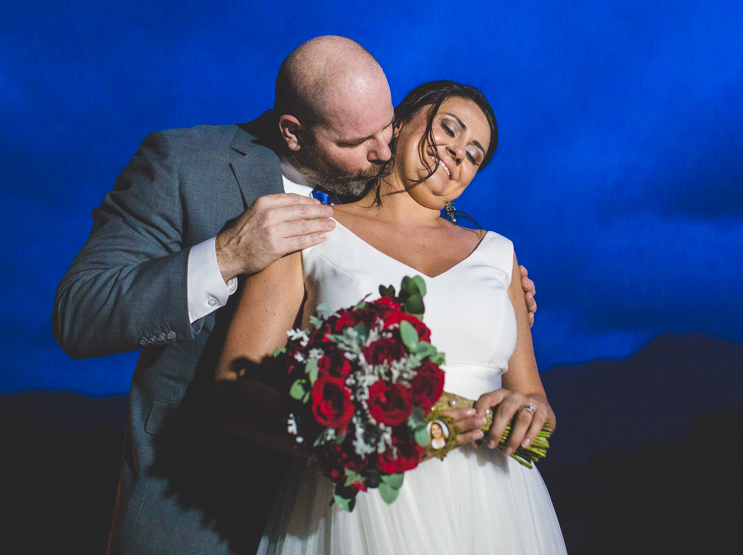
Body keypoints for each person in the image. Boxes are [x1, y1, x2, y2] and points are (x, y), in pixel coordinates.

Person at [51, 36, 541, 554]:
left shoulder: (369, 172)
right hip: (200, 499)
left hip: (357, 512)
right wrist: (227, 255)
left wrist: (487, 287)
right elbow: (80, 314)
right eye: (359, 141)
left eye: (386, 127)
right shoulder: (183, 163)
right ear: (295, 132)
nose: (381, 152)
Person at [214, 81, 566, 554]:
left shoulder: (499, 255)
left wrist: (527, 414)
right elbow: (231, 391)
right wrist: (337, 436)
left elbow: (534, 400)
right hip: (357, 507)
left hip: (494, 504)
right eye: (450, 129)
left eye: (475, 154)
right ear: (395, 124)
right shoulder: (309, 230)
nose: (459, 153)